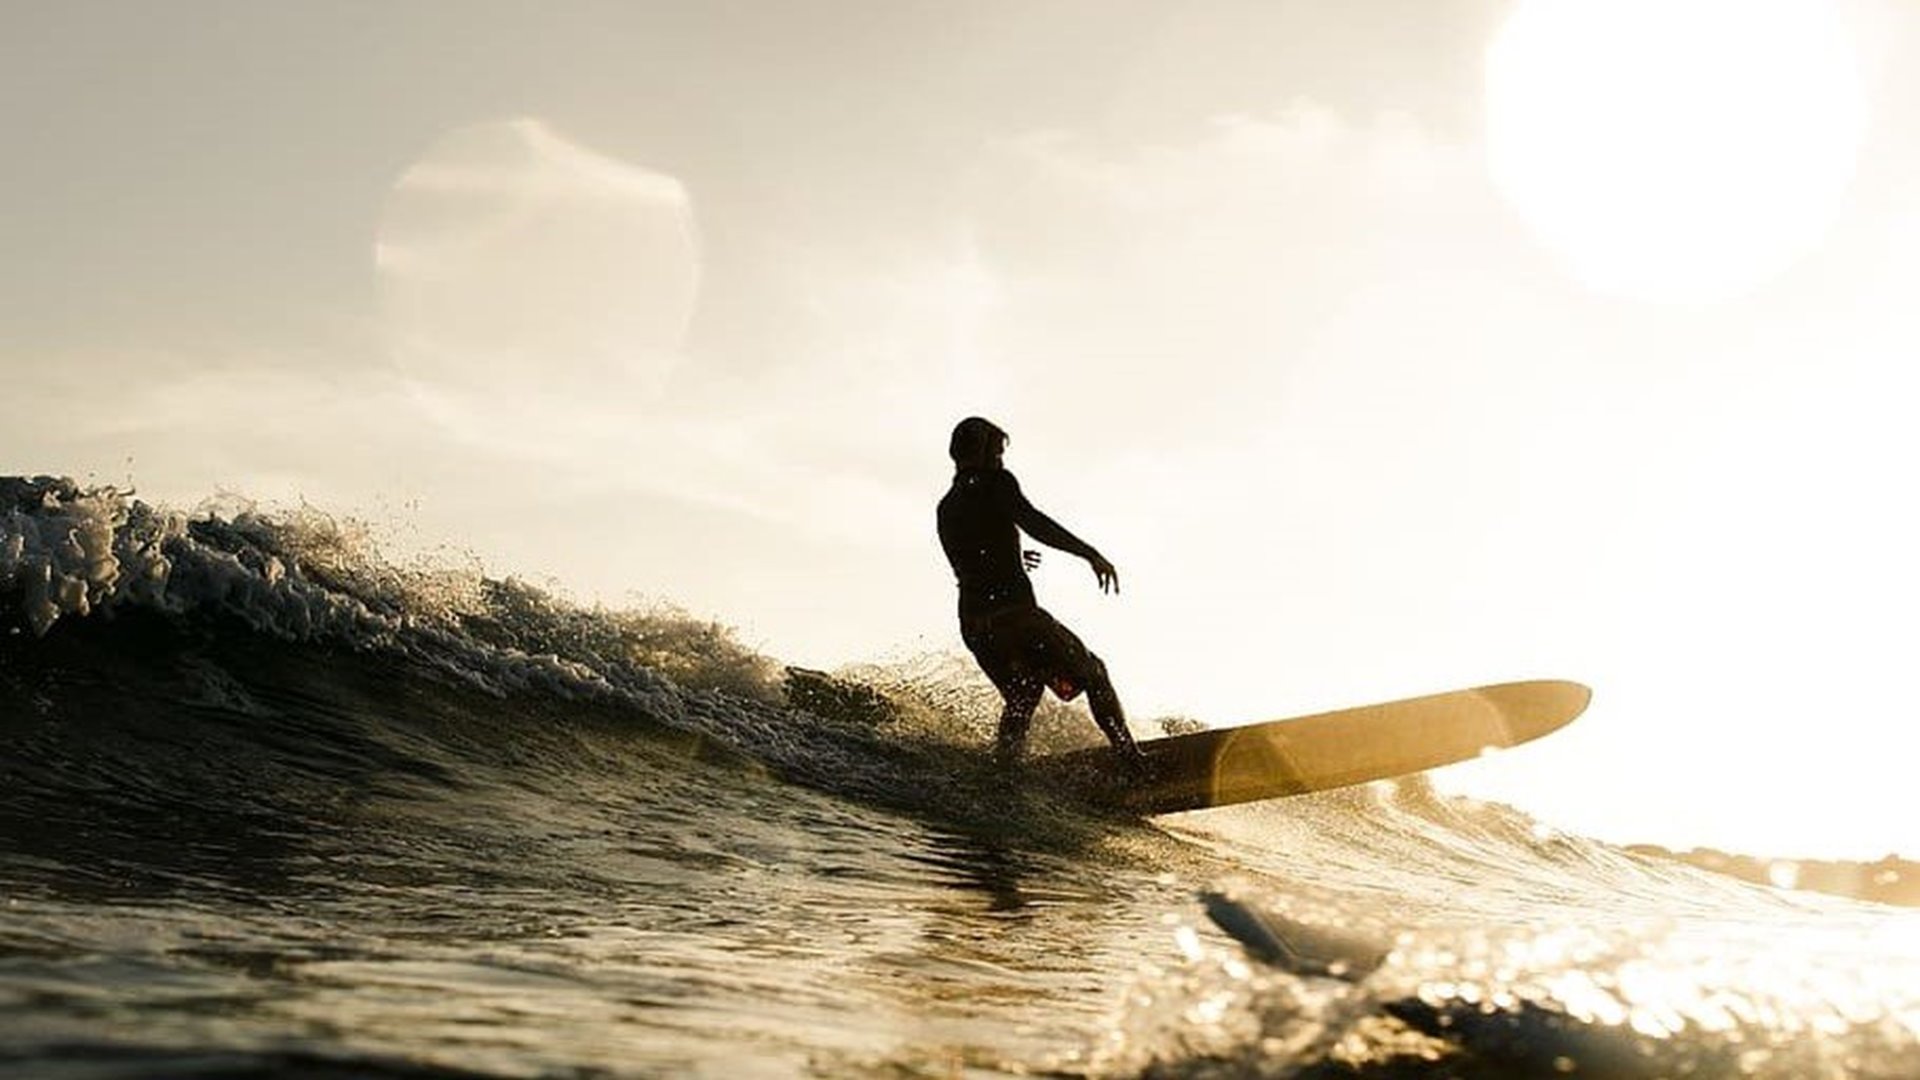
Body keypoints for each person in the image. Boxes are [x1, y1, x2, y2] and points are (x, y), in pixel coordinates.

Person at [936, 416, 1144, 768]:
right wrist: (1088, 553)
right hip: (1016, 617)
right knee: (1095, 673)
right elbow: (1033, 521)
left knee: (1023, 693)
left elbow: (973, 558)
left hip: (975, 625)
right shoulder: (995, 482)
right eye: (998, 453)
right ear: (984, 453)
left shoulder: (947, 506)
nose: (1001, 461)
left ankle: (1007, 771)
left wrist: (1014, 557)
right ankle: (1130, 759)